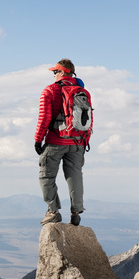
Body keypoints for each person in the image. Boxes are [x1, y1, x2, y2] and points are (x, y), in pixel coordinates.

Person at [34, 58, 88, 226]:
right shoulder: (82, 92)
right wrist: (83, 141)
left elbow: (44, 118)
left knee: (46, 175)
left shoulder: (50, 90)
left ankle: (53, 211)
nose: (54, 75)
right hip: (78, 142)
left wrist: (38, 140)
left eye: (55, 72)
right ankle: (76, 212)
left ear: (63, 72)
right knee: (75, 176)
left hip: (56, 141)